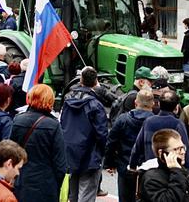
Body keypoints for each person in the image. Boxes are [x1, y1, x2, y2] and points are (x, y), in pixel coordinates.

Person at [11, 84, 68, 202]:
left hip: (22, 180)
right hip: (46, 183)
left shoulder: (18, 120)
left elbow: (9, 152)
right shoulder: (53, 125)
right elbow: (60, 164)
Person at [60, 66, 108, 202]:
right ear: (96, 81)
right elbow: (102, 133)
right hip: (90, 154)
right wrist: (103, 152)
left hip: (71, 152)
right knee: (86, 193)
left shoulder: (67, 101)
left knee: (73, 193)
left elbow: (62, 124)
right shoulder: (95, 105)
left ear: (81, 80)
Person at [130, 89, 189, 177]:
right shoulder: (178, 124)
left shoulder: (149, 122)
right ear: (176, 107)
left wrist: (132, 166)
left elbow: (137, 147)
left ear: (159, 104)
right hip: (170, 172)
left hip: (150, 171)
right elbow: (185, 150)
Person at [105, 89, 155, 202]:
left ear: (136, 103)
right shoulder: (155, 122)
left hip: (125, 165)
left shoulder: (123, 119)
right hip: (148, 168)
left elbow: (111, 142)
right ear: (153, 104)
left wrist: (109, 163)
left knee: (125, 197)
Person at [137, 129, 189, 202]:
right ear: (161, 153)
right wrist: (177, 172)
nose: (183, 152)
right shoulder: (151, 179)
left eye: (183, 148)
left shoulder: (181, 171)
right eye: (176, 149)